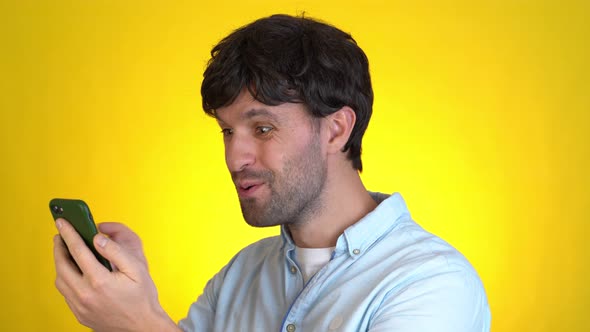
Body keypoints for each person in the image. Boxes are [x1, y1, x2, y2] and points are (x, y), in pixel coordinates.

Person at [53, 14, 491, 332]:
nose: (234, 157)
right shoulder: (240, 276)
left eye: (262, 128)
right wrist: (137, 296)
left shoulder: (433, 284)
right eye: (227, 130)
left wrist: (139, 325)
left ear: (336, 129)